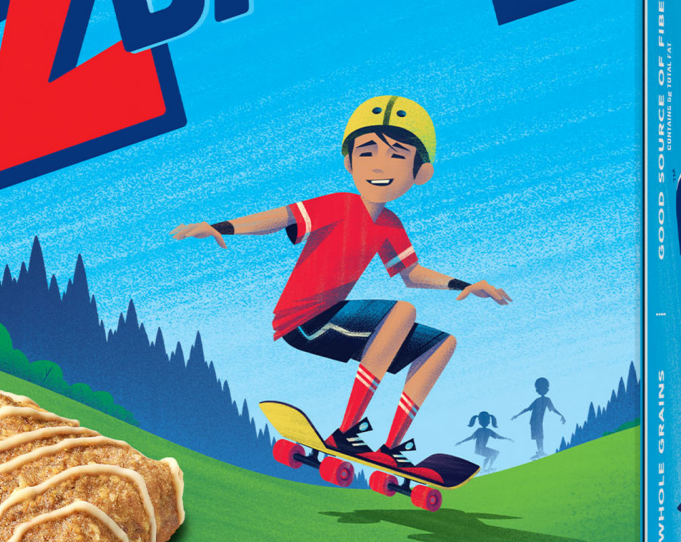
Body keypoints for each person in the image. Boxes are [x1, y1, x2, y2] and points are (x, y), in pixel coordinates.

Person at [171, 95, 510, 475]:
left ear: (420, 173)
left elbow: (411, 273)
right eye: (367, 153)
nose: (379, 165)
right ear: (350, 162)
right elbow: (281, 218)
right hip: (303, 321)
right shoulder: (339, 205)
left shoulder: (390, 225)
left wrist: (464, 284)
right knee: (402, 312)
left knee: (441, 345)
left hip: (338, 321)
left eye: (397, 156)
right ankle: (347, 431)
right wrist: (221, 227)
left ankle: (391, 448)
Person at [512, 377, 566, 458]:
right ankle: (540, 451)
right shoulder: (540, 400)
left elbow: (552, 409)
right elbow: (528, 409)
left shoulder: (545, 400)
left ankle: (541, 451)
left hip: (536, 421)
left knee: (539, 436)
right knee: (538, 437)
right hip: (534, 421)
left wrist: (561, 415)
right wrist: (517, 415)